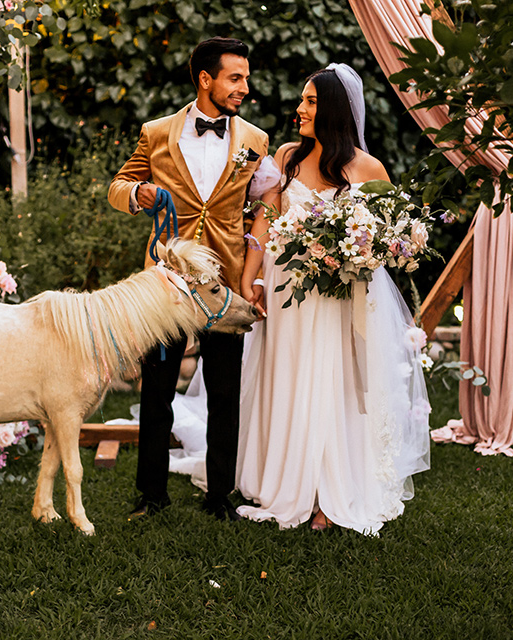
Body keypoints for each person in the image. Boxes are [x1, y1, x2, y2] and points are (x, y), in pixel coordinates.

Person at [235, 64, 431, 534]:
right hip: (285, 294)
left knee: (334, 384)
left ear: (335, 111)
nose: (299, 109)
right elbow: (263, 220)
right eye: (302, 100)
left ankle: (328, 492)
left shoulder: (369, 170)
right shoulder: (284, 158)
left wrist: (362, 254)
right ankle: (284, 478)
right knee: (287, 375)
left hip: (339, 296)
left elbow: (388, 237)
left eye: (311, 102)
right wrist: (251, 280)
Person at [107, 37, 278, 521]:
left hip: (221, 285)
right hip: (164, 282)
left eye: (245, 77)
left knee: (225, 390)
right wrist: (138, 193)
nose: (245, 87)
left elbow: (264, 206)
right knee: (156, 389)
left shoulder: (255, 140)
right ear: (206, 80)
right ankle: (150, 495)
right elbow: (119, 184)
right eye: (235, 78)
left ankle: (219, 495)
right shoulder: (157, 133)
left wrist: (253, 274)